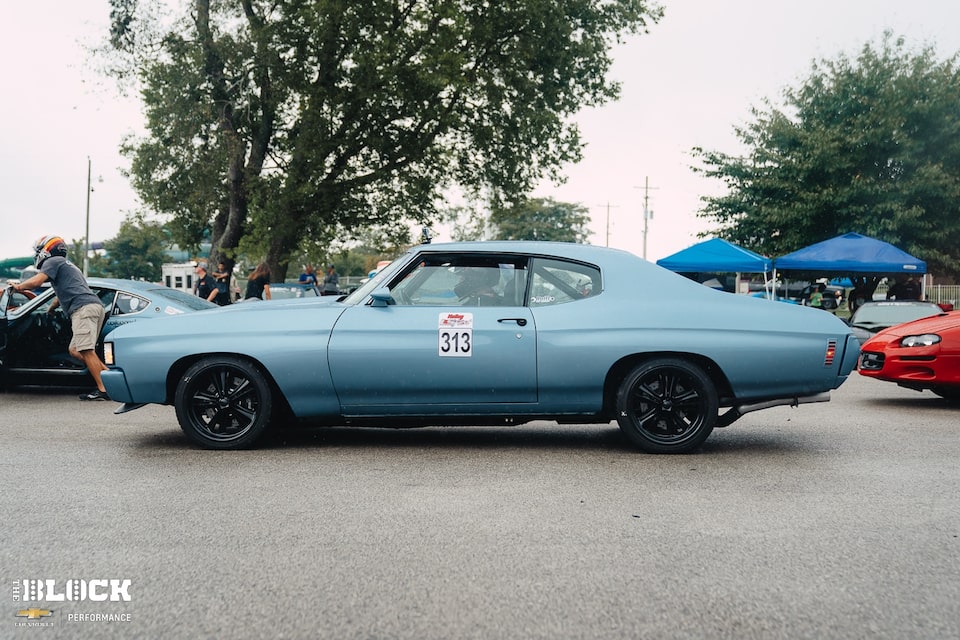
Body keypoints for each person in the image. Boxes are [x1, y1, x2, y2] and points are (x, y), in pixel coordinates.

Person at [11, 235, 111, 400]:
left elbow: (37, 282)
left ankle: (104, 389)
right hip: (93, 306)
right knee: (76, 350)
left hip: (83, 308)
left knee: (86, 350)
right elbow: (61, 295)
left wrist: (19, 287)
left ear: (46, 250)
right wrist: (50, 309)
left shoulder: (53, 261)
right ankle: (109, 378)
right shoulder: (69, 265)